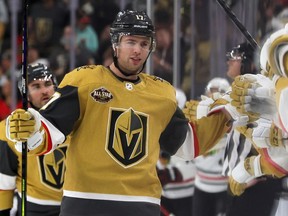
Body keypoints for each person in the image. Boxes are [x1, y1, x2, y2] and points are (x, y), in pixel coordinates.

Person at [5, 10, 246, 216]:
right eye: (131, 41)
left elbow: (188, 145)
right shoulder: (84, 80)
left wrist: (226, 111)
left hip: (141, 203)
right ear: (115, 43)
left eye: (144, 43)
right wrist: (30, 127)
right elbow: (49, 133)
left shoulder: (162, 93)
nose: (138, 50)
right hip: (85, 202)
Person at [223, 41, 283, 216]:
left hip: (254, 184)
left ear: (247, 62)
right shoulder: (237, 93)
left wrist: (253, 175)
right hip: (240, 182)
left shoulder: (259, 95)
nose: (228, 61)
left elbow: (272, 135)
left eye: (233, 57)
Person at [0, 63, 67, 215]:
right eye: (36, 86)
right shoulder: (8, 129)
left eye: (48, 84)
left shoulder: (75, 120)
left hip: (74, 205)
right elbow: (4, 184)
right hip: (34, 208)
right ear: (26, 94)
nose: (45, 90)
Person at [192, 77, 230, 216]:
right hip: (201, 184)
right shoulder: (197, 113)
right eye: (212, 92)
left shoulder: (234, 117)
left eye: (218, 92)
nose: (213, 96)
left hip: (223, 186)